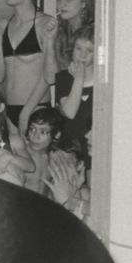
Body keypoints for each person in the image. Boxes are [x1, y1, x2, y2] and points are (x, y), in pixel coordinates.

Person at [0, 0, 56, 135]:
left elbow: (50, 77)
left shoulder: (45, 24)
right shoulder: (4, 25)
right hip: (9, 112)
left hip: (36, 111)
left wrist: (26, 113)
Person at [55, 25, 95, 168]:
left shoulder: (104, 83)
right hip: (69, 152)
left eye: (89, 50)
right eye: (78, 49)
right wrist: (79, 78)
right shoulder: (63, 78)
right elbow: (69, 112)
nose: (82, 55)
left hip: (94, 150)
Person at [45, 0, 93, 77]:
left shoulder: (93, 32)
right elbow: (51, 79)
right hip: (65, 92)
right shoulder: (59, 31)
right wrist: (49, 40)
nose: (62, 4)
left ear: (83, 2)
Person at [23, 106, 62, 194]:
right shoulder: (21, 155)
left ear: (57, 134)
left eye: (43, 132)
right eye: (32, 129)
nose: (36, 136)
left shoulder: (54, 160)